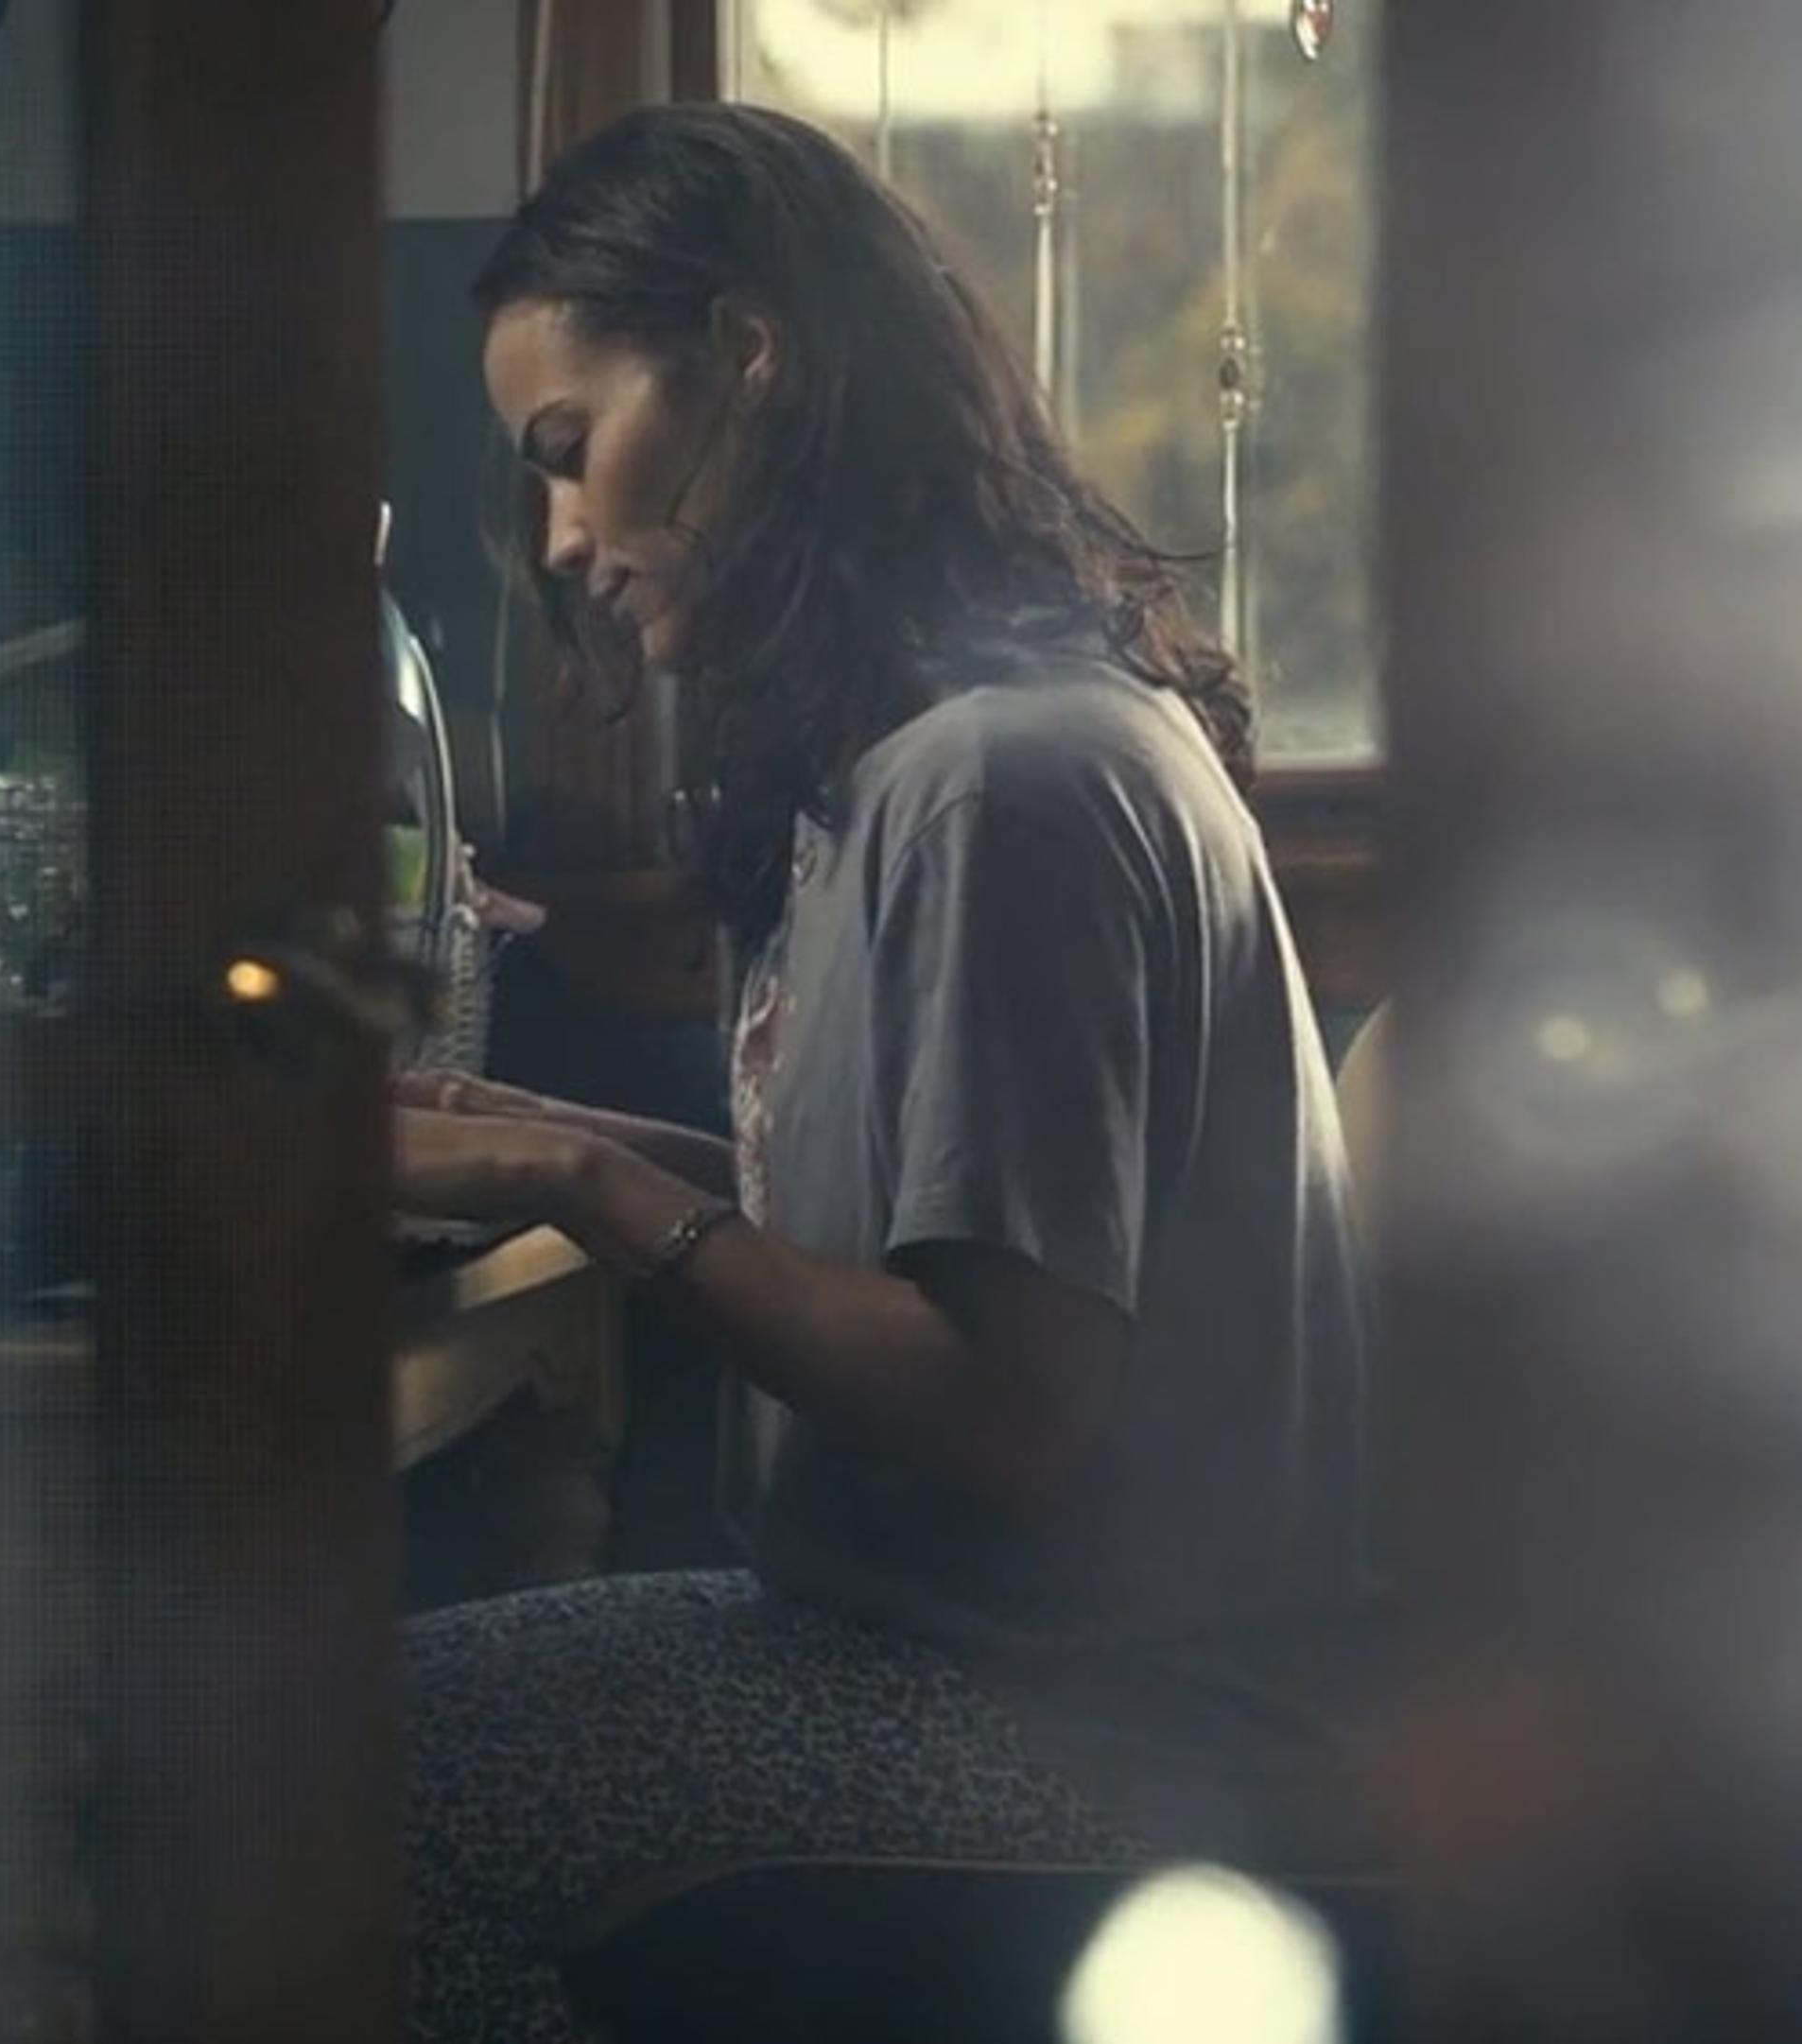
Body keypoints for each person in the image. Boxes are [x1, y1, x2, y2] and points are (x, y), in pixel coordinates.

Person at [390, 104, 1385, 2041]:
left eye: (571, 454)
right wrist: (544, 1130)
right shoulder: (918, 755)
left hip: (1116, 1721)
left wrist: (579, 1191)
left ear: (752, 360)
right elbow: (897, 1245)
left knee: (339, 1792)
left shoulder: (1005, 781)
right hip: (958, 1661)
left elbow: (1005, 1407)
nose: (565, 541)